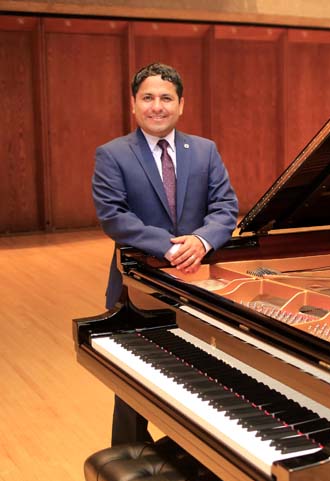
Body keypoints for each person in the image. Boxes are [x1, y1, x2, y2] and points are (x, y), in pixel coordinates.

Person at [92, 62, 239, 445]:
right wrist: (170, 246)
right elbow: (114, 218)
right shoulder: (112, 154)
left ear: (181, 105)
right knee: (134, 383)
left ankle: (196, 461)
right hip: (135, 286)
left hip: (198, 284)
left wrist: (202, 241)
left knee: (200, 379)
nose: (157, 106)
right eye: (148, 98)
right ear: (134, 104)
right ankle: (129, 459)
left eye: (166, 98)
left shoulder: (205, 150)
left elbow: (225, 207)